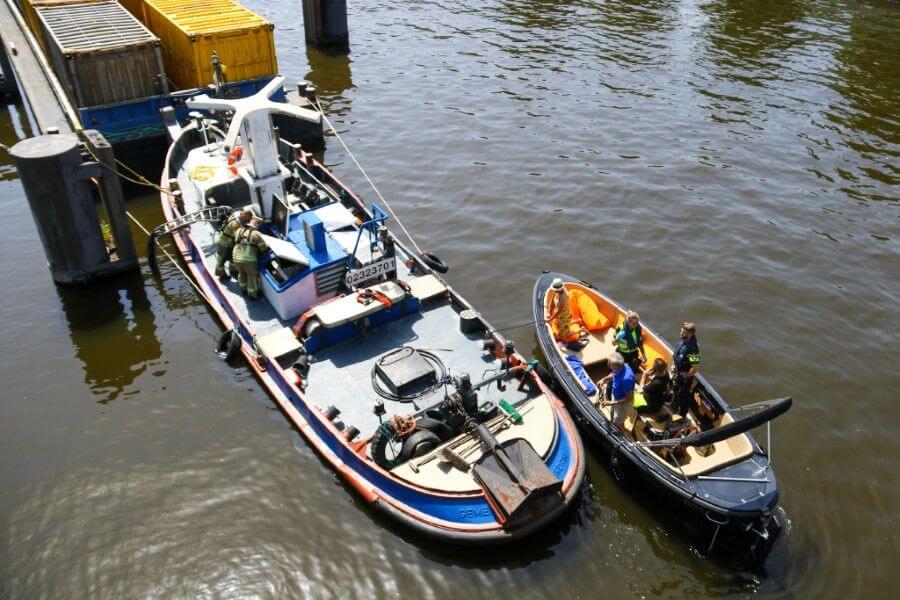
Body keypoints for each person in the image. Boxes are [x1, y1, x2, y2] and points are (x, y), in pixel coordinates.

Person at [231, 217, 269, 299]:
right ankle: (253, 294)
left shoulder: (239, 230)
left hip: (236, 256)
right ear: (257, 224)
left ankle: (243, 289)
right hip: (248, 259)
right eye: (259, 225)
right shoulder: (257, 234)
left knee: (241, 273)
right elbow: (263, 248)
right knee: (252, 276)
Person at [597, 352, 635, 432]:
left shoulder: (626, 379)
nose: (608, 364)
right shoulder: (622, 367)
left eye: (609, 363)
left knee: (617, 420)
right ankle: (618, 422)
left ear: (615, 365)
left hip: (623, 403)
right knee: (613, 413)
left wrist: (611, 403)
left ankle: (618, 428)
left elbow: (629, 398)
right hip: (616, 397)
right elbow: (614, 374)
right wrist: (604, 379)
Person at [671, 321, 701, 417]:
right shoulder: (683, 340)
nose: (680, 333)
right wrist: (673, 365)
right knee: (675, 389)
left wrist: (687, 375)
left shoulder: (693, 350)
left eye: (683, 332)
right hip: (677, 371)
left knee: (683, 396)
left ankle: (682, 415)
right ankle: (673, 406)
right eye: (681, 331)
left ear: (690, 334)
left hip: (685, 377)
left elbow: (695, 368)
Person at [546, 278, 586, 344]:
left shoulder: (563, 298)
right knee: (559, 326)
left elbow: (558, 311)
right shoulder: (558, 291)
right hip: (560, 315)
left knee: (564, 335)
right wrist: (548, 312)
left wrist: (550, 319)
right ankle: (577, 321)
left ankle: (580, 330)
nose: (554, 291)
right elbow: (552, 300)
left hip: (564, 316)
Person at [214, 210, 248, 278]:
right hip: (226, 244)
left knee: (222, 258)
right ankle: (227, 272)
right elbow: (238, 237)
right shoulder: (236, 224)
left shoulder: (232, 218)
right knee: (229, 258)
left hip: (222, 240)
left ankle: (224, 271)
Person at [614, 310, 646, 375]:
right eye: (634, 323)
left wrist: (643, 354)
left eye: (637, 323)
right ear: (628, 322)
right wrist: (618, 338)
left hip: (633, 353)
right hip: (622, 353)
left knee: (634, 367)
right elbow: (613, 343)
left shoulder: (638, 328)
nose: (636, 325)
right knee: (620, 370)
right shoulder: (620, 329)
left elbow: (640, 343)